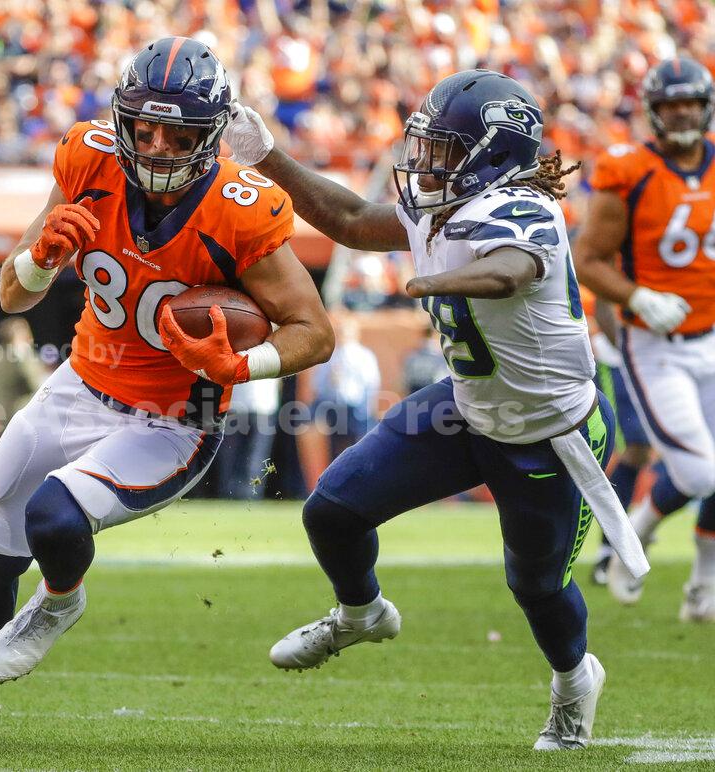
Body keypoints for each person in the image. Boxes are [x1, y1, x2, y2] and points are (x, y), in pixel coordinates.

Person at [0, 37, 334, 747]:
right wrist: (41, 261)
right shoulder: (89, 158)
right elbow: (11, 294)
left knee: (54, 516)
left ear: (212, 135)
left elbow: (315, 331)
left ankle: (58, 600)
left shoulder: (240, 206)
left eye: (180, 135)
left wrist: (239, 364)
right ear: (122, 119)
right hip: (81, 383)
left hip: (174, 418)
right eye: (146, 128)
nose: (158, 147)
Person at [226, 68, 649, 750]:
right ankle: (361, 613)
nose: (426, 161)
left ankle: (575, 681)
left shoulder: (524, 210)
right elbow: (350, 220)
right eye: (426, 144)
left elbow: (510, 270)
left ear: (494, 155)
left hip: (547, 433)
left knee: (537, 587)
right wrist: (266, 154)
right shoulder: (443, 206)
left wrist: (441, 279)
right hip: (463, 408)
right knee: (331, 511)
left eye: (444, 148)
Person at [574, 56, 715, 622]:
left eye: (691, 103)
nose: (682, 113)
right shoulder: (629, 170)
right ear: (654, 112)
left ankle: (702, 584)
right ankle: (637, 531)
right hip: (656, 346)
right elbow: (587, 259)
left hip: (712, 334)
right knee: (701, 473)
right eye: (670, 104)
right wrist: (638, 297)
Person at [588, 298, 653, 585]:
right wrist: (630, 352)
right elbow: (603, 303)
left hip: (661, 362)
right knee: (634, 450)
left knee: (643, 453)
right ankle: (609, 552)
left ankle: (631, 537)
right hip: (618, 362)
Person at [311, 314, 381, 461]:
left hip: (356, 408)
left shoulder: (364, 356)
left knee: (358, 447)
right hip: (335, 408)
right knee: (336, 450)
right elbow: (318, 384)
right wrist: (330, 382)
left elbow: (372, 384)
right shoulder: (330, 357)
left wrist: (367, 408)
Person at [0, 316, 49, 422]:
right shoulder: (22, 353)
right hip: (19, 415)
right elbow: (39, 387)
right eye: (27, 332)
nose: (31, 338)